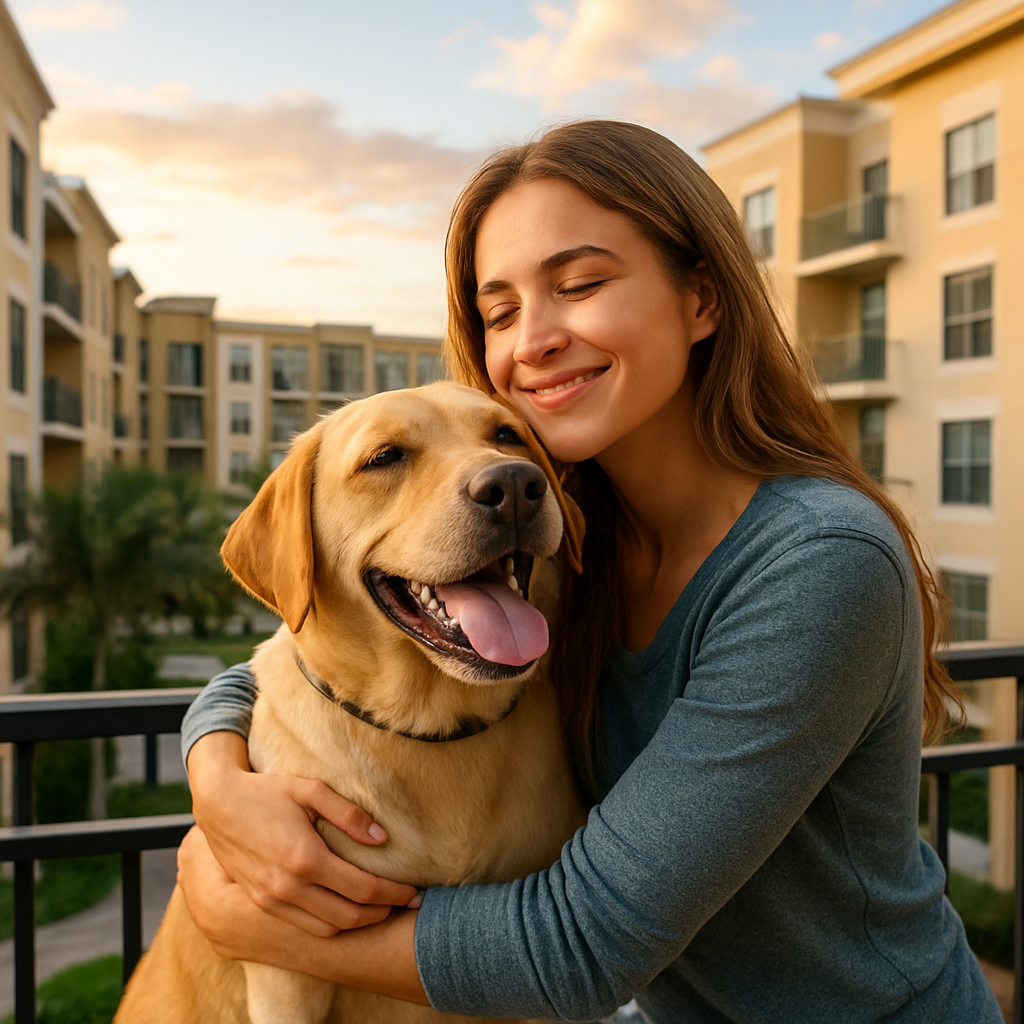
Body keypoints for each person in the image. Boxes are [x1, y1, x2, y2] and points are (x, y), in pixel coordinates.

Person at [177, 119, 1002, 1022]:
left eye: (580, 284)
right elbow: (300, 652)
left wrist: (248, 918)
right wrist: (216, 773)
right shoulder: (565, 543)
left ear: (701, 299)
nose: (533, 339)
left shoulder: (818, 564)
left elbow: (579, 949)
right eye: (499, 313)